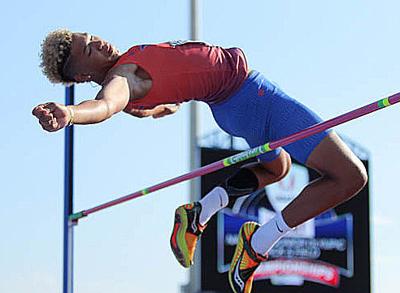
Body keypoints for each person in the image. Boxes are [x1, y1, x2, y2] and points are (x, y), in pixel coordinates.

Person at [33, 29, 368, 293]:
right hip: (255, 99)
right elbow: (106, 106)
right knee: (350, 176)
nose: (98, 43)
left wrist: (161, 107)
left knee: (276, 169)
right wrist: (71, 113)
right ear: (81, 77)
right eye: (89, 49)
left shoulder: (128, 71)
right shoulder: (121, 80)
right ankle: (258, 244)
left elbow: (147, 103)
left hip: (233, 109)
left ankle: (198, 214)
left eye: (90, 37)